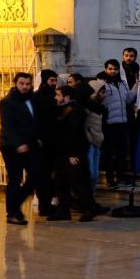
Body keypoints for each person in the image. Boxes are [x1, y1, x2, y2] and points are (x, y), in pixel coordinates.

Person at [49, 85, 96, 222]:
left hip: (72, 154)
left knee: (78, 183)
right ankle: (63, 210)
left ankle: (89, 208)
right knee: (61, 182)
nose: (56, 98)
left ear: (66, 97)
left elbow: (73, 134)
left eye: (58, 95)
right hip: (63, 153)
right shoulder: (65, 109)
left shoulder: (74, 111)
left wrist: (72, 154)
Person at [0, 72, 40, 225]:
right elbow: (7, 126)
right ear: (16, 83)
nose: (25, 87)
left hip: (30, 145)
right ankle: (12, 213)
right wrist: (18, 144)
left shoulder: (32, 99)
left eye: (28, 84)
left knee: (36, 175)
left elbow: (35, 121)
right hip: (11, 147)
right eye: (22, 84)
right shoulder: (7, 102)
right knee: (15, 179)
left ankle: (15, 206)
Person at [98, 59, 135, 187]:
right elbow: (98, 100)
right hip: (109, 124)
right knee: (109, 153)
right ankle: (110, 178)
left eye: (115, 69)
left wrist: (138, 84)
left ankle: (121, 176)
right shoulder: (102, 84)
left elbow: (129, 99)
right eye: (110, 69)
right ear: (106, 69)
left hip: (123, 123)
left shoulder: (122, 84)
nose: (113, 71)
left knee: (122, 152)